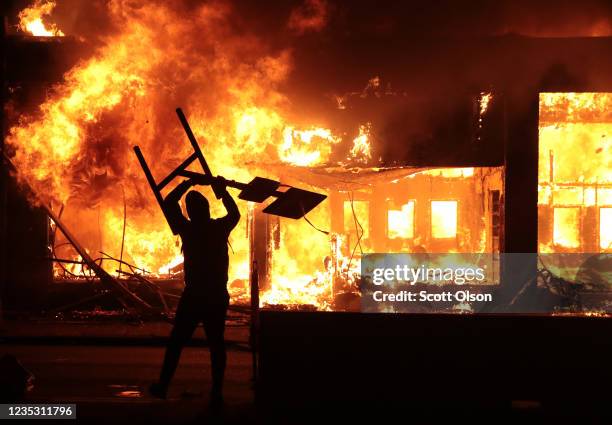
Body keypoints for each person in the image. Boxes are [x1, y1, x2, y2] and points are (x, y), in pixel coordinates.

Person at [150, 175, 240, 406]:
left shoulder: (187, 230)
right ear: (207, 209)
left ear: (190, 212)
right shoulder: (219, 228)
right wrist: (222, 191)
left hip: (195, 295)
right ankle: (217, 393)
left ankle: (163, 386)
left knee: (177, 342)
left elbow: (169, 202)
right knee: (216, 345)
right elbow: (235, 215)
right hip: (216, 295)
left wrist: (188, 182)